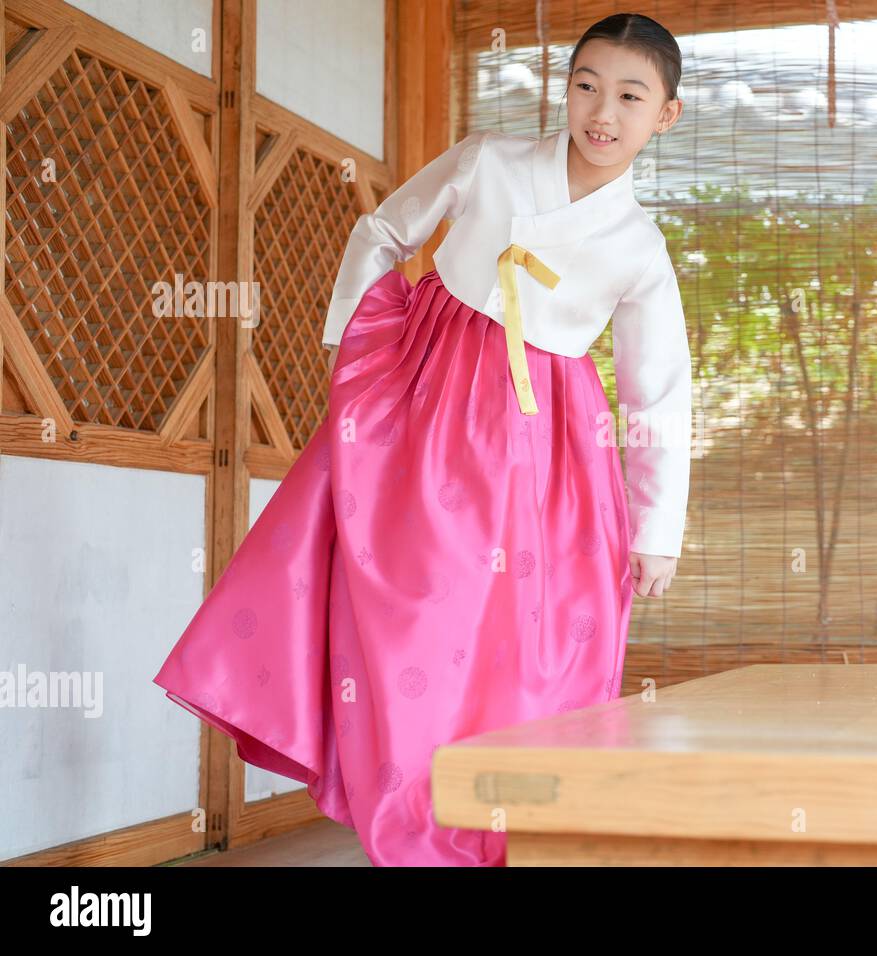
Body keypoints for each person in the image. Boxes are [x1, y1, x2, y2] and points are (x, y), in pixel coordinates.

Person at [152, 13, 691, 866]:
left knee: (527, 637)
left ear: (665, 115)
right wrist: (360, 366)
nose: (602, 111)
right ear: (566, 85)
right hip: (431, 401)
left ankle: (510, 822)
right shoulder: (491, 161)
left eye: (631, 96)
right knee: (413, 612)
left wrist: (657, 530)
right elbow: (384, 233)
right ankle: (408, 810)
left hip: (550, 448)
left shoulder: (640, 245)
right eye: (587, 84)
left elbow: (656, 390)